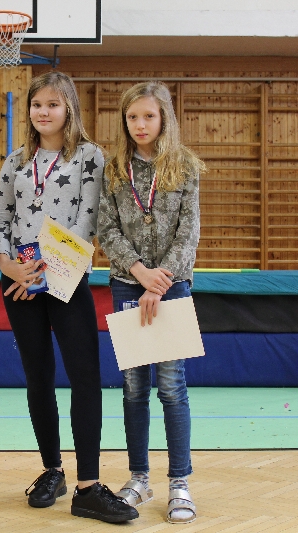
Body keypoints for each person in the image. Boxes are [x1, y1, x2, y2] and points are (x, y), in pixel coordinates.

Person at [0, 71, 138, 524]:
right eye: (37, 104)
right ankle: (52, 470)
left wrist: (43, 269)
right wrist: (8, 265)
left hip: (66, 280)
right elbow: (0, 221)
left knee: (85, 378)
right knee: (38, 376)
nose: (43, 112)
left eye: (53, 104)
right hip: (19, 283)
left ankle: (88, 486)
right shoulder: (15, 160)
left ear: (69, 108)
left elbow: (86, 220)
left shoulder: (90, 156)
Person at [97, 81, 206, 524]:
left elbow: (189, 232)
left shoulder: (185, 167)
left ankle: (179, 482)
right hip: (128, 286)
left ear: (164, 119)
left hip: (172, 287)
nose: (140, 124)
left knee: (172, 387)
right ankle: (139, 477)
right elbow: (106, 228)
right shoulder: (113, 169)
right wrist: (139, 272)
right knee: (134, 388)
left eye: (149, 116)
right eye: (132, 117)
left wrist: (159, 283)